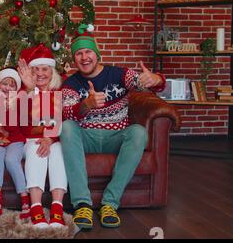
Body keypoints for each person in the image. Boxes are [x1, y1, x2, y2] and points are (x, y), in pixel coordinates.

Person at [59, 24, 166, 230]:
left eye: (88, 51)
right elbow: (66, 113)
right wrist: (86, 105)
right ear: (75, 60)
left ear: (97, 54)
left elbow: (151, 83)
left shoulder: (120, 74)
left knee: (139, 132)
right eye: (79, 53)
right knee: (67, 127)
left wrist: (156, 79)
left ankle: (110, 203)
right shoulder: (71, 84)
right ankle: (82, 204)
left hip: (115, 136)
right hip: (86, 137)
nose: (84, 57)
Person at [17, 44, 68, 228]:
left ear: (52, 71)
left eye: (44, 69)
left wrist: (51, 138)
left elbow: (62, 121)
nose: (40, 73)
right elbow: (22, 125)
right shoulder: (23, 92)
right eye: (35, 69)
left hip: (54, 139)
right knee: (35, 149)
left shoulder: (59, 92)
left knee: (57, 150)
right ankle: (36, 208)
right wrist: (32, 91)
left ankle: (57, 207)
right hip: (28, 140)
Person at [0, 68, 30, 219]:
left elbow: (14, 127)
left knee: (11, 160)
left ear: (16, 89)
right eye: (4, 84)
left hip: (15, 139)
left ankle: (24, 196)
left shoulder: (19, 102)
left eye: (11, 85)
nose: (7, 88)